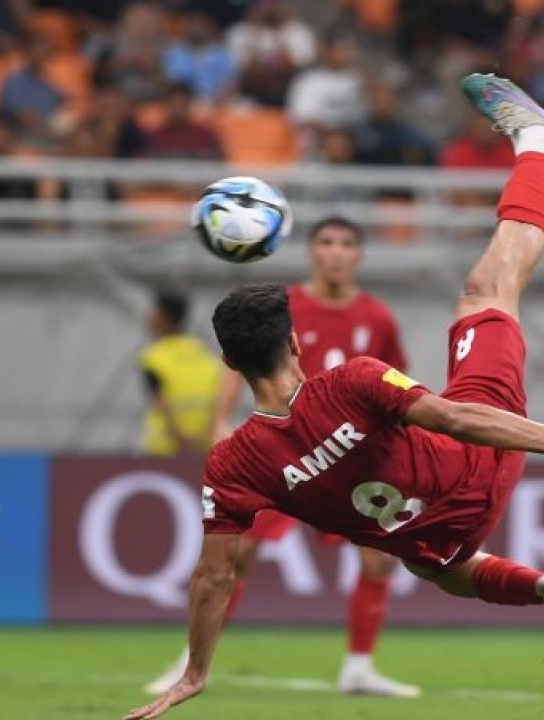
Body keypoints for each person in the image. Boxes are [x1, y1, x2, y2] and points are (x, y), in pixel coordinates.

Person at [125, 74, 544, 720]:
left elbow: (214, 576)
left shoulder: (234, 463)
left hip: (435, 531)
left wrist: (195, 673)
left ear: (229, 364)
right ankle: (540, 142)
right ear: (296, 345)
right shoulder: (351, 380)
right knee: (487, 290)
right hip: (478, 458)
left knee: (436, 564)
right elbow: (461, 418)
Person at [144, 217, 419, 698]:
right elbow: (245, 360)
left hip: (350, 454)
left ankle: (358, 667)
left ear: (359, 255)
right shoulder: (284, 308)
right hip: (287, 452)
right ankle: (190, 661)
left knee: (379, 559)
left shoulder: (377, 317)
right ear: (311, 252)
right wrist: (220, 421)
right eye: (327, 243)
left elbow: (393, 380)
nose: (336, 252)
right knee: (241, 552)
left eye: (346, 244)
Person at [139, 291, 222, 457]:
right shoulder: (204, 351)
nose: (149, 317)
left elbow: (159, 400)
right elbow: (220, 395)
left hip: (164, 448)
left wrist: (180, 438)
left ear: (164, 318)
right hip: (204, 445)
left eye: (155, 312)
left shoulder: (153, 356)